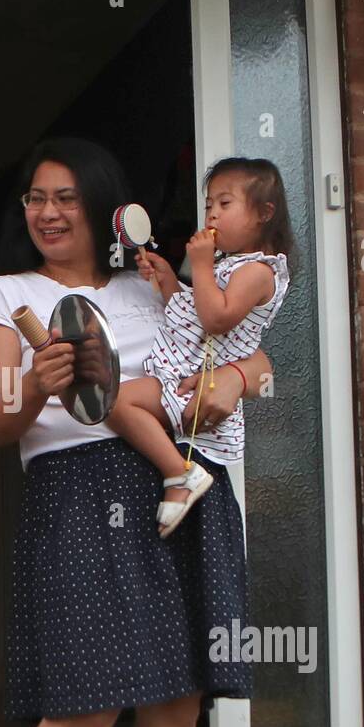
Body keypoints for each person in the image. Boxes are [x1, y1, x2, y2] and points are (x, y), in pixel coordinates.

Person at [0, 137, 273, 727]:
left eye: (64, 197)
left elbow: (252, 352)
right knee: (86, 701)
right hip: (77, 491)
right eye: (34, 197)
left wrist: (238, 381)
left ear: (102, 206)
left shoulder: (152, 286)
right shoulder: (1, 296)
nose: (48, 212)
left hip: (184, 480)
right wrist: (40, 382)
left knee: (176, 697)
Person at [106, 158, 292, 537]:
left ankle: (179, 473)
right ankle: (178, 471)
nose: (212, 215)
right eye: (209, 205)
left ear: (264, 214)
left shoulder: (259, 272)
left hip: (193, 382)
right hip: (185, 373)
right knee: (116, 401)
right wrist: (170, 279)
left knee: (114, 401)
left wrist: (201, 264)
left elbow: (216, 319)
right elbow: (194, 315)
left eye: (225, 204)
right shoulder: (230, 267)